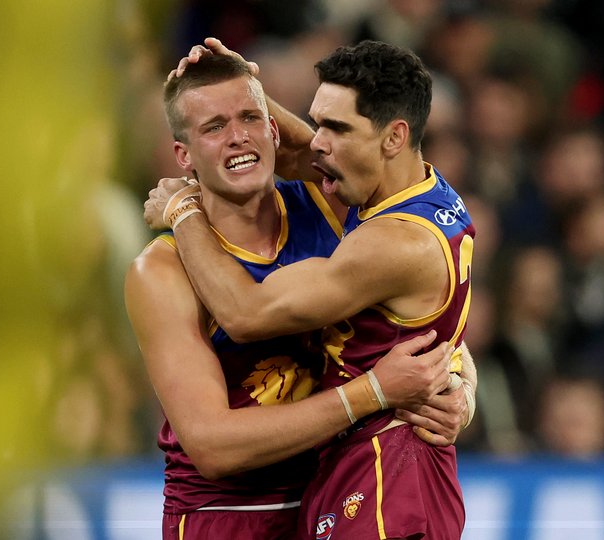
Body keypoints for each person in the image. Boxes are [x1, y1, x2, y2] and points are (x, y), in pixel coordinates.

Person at [126, 51, 474, 540]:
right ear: (183, 156)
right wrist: (375, 392)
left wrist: (459, 390)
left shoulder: (336, 205)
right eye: (213, 127)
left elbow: (423, 321)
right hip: (231, 516)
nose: (238, 138)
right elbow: (213, 447)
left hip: (338, 491)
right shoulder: (161, 269)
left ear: (272, 128)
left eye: (250, 118)